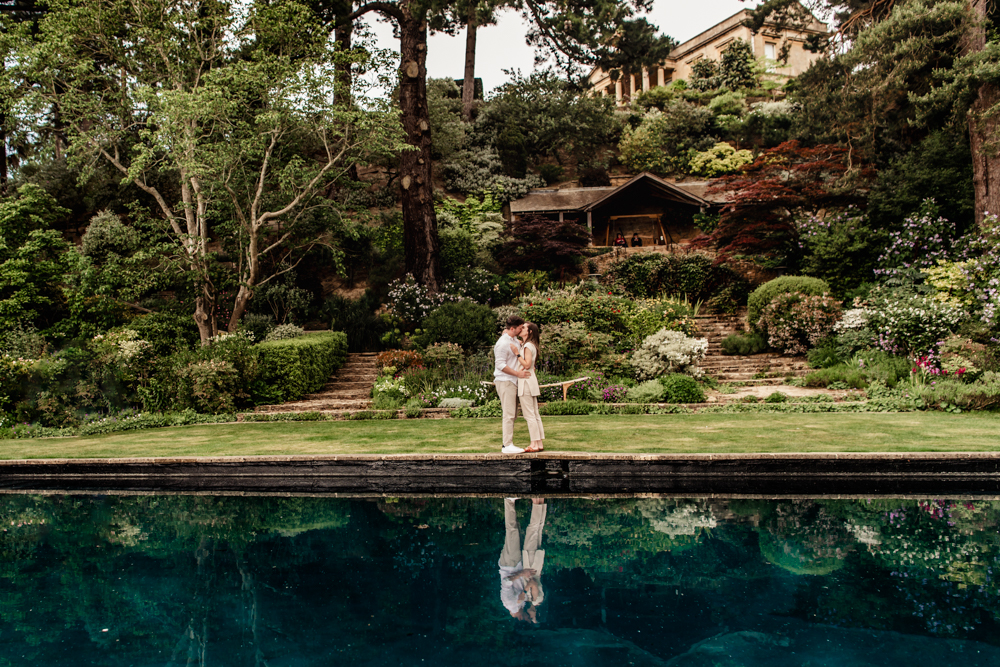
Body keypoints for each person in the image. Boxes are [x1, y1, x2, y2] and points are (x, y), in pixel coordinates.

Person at [498, 497, 546, 624]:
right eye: (530, 617)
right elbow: (532, 583)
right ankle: (538, 501)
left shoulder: (510, 604)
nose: (528, 616)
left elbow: (506, 582)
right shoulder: (523, 605)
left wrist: (521, 574)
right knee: (522, 529)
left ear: (520, 618)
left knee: (512, 530)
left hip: (510, 565)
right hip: (520, 564)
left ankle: (509, 501)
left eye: (527, 618)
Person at [493, 315, 530, 454]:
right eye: (520, 328)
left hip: (511, 381)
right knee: (508, 414)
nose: (522, 329)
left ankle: (508, 443)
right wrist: (517, 374)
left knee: (512, 414)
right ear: (513, 328)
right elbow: (500, 365)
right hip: (505, 381)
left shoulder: (513, 339)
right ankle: (507, 445)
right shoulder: (503, 343)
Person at [510, 322, 544, 453]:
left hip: (526, 382)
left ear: (529, 332)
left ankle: (534, 444)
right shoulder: (529, 344)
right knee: (535, 414)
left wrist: (517, 353)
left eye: (523, 327)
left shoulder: (528, 346)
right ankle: (539, 442)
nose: (521, 328)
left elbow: (528, 364)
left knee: (530, 415)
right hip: (531, 381)